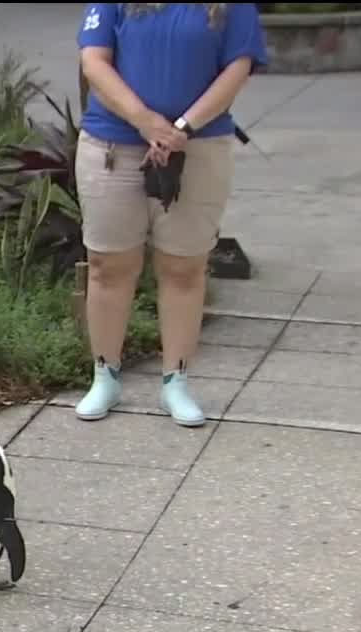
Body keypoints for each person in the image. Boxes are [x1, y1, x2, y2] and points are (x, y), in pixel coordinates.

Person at [73, 3, 267, 427]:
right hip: (112, 145)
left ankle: (175, 381)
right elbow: (94, 60)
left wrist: (181, 128)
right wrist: (146, 123)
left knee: (183, 267)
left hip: (197, 148)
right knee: (108, 265)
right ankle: (105, 375)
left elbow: (238, 67)